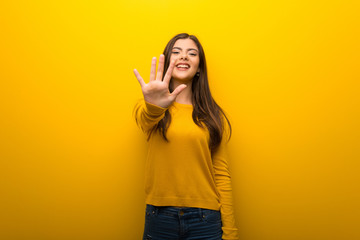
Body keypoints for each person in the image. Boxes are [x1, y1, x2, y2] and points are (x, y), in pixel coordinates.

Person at [133, 33, 239, 240]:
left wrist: (231, 231)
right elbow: (146, 120)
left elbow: (221, 175)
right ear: (167, 63)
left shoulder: (212, 115)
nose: (184, 57)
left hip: (205, 219)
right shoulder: (149, 109)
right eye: (176, 52)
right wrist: (155, 105)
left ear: (199, 67)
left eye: (192, 53)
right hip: (160, 217)